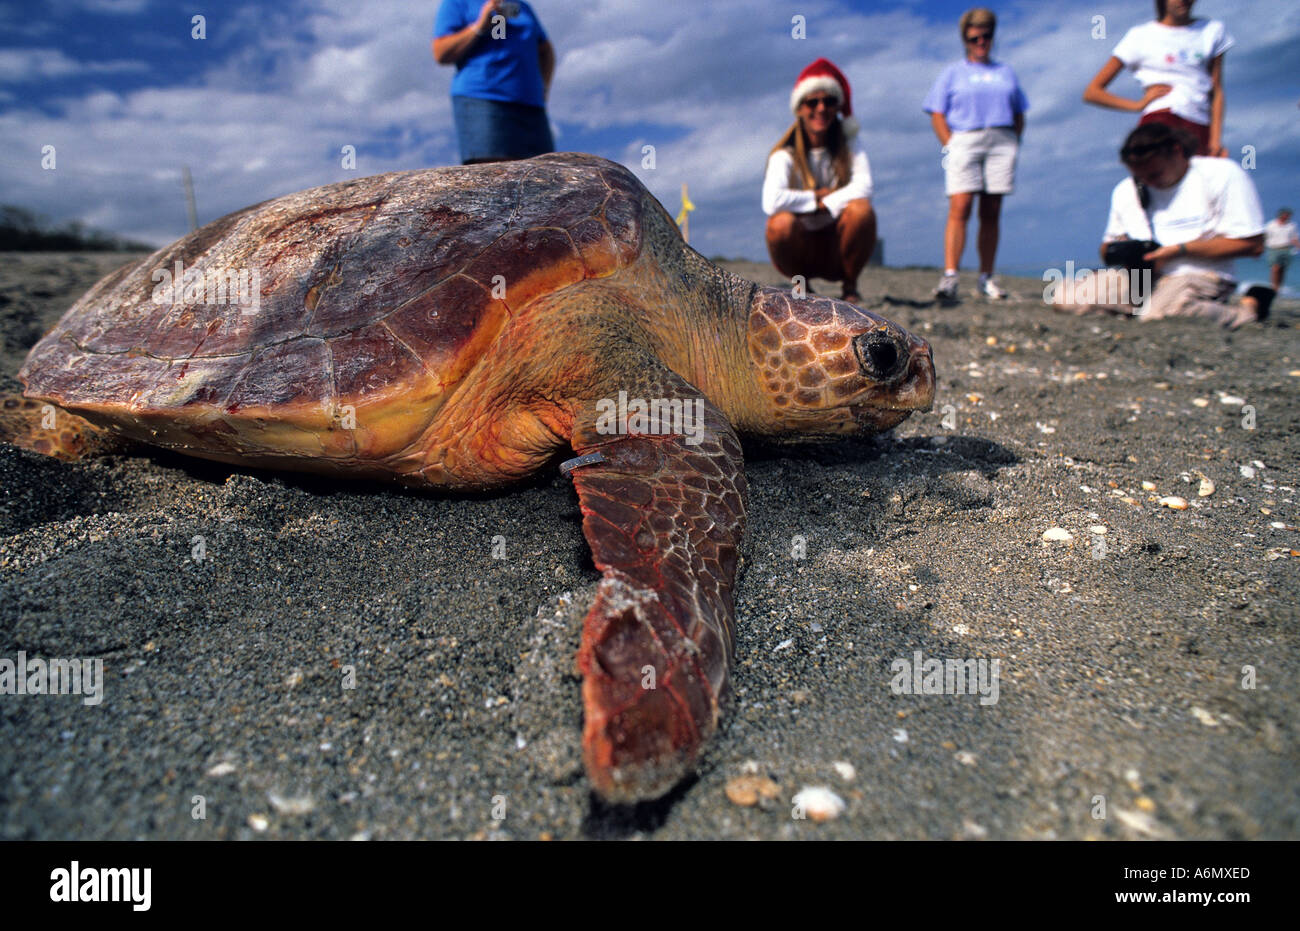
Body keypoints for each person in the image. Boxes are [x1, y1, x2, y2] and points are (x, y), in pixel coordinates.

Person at [1054, 123, 1266, 328]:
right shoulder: (1126, 190)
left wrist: (1178, 251)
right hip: (1141, 277)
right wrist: (1127, 252)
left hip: (1199, 274)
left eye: (1155, 174)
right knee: (1066, 298)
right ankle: (1144, 305)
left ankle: (1249, 309)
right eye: (1140, 176)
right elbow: (1106, 248)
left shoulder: (1221, 174)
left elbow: (1253, 245)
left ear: (1177, 151)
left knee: (1160, 316)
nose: (1149, 183)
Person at [923, 7, 1028, 302]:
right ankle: (951, 276)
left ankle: (986, 277)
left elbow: (1019, 111)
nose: (981, 42)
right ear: (965, 40)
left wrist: (1014, 141)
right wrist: (950, 142)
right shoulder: (952, 73)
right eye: (974, 38)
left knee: (992, 210)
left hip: (1002, 139)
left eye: (986, 36)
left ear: (993, 37)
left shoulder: (1006, 72)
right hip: (964, 139)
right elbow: (936, 111)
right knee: (961, 205)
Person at [762, 58, 877, 305]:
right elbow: (771, 201)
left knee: (861, 211)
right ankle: (802, 286)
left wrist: (826, 201)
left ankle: (850, 285)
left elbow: (865, 186)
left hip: (838, 247)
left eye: (829, 101)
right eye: (812, 102)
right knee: (779, 224)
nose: (821, 108)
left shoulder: (850, 145)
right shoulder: (784, 154)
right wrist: (816, 198)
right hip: (802, 247)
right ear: (800, 108)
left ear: (838, 107)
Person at [1083, 0, 1232, 158]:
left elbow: (1216, 90)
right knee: (1159, 179)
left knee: (1203, 180)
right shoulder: (1139, 36)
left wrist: (1215, 141)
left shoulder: (1212, 30)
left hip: (1200, 124)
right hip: (1160, 120)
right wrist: (1137, 105)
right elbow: (1092, 92)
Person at [432, 0, 555, 164]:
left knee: (545, 173)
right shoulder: (457, 3)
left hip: (531, 106)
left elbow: (546, 51)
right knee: (492, 177)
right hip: (483, 100)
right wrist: (479, 27)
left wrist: (543, 88)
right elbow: (441, 52)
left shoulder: (523, 7)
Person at [1264, 207, 1299, 291]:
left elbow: (1294, 238)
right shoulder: (1271, 225)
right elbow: (1265, 237)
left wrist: (1298, 246)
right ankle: (1274, 287)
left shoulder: (1291, 226)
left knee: (1283, 269)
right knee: (1275, 268)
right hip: (1274, 248)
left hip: (1286, 248)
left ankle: (1279, 287)